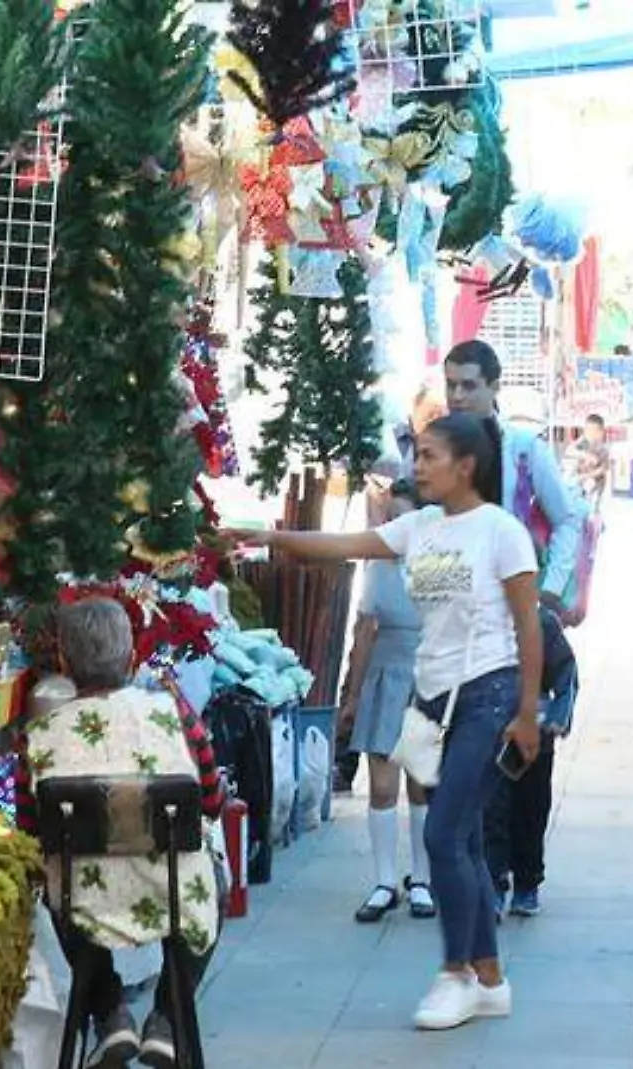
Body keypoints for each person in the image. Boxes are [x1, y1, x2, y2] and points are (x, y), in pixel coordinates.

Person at [223, 413, 544, 1032]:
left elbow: (529, 625)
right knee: (464, 838)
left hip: (488, 693)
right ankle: (490, 979)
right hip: (431, 696)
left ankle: (455, 974)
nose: (415, 467)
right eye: (416, 455)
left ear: (465, 466)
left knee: (443, 834)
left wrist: (527, 714)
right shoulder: (419, 526)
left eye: (428, 456)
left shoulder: (501, 532)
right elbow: (342, 548)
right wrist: (258, 538)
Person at [15, 598, 225, 1069]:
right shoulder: (175, 715)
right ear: (132, 659)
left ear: (66, 664)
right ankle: (168, 1023)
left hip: (82, 901)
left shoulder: (39, 734)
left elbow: (31, 832)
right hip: (172, 891)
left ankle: (110, 1015)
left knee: (58, 886)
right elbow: (209, 801)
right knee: (215, 880)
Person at [337, 479, 437, 923]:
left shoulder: (442, 565)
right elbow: (363, 633)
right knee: (381, 786)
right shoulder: (376, 567)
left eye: (404, 518)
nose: (394, 526)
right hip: (384, 675)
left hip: (427, 679)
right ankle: (383, 881)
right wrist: (353, 694)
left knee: (421, 784)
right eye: (390, 517)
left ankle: (422, 879)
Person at [442, 341, 584, 620]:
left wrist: (550, 590)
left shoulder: (523, 447)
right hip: (449, 605)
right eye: (450, 385)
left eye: (469, 386)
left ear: (494, 387)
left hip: (510, 604)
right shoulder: (433, 447)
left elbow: (567, 518)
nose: (457, 396)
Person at [483, 603, 578, 918]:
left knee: (531, 810)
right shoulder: (478, 617)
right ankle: (494, 884)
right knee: (491, 811)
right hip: (489, 730)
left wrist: (558, 716)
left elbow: (566, 675)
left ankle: (527, 882)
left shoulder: (543, 623)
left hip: (534, 733)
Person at [572, 413, 612, 511]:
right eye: (588, 431)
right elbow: (570, 451)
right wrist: (584, 455)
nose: (591, 435)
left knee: (593, 512)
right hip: (579, 487)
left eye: (594, 432)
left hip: (596, 488)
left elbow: (604, 469)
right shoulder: (581, 443)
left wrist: (588, 476)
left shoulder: (603, 449)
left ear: (601, 432)